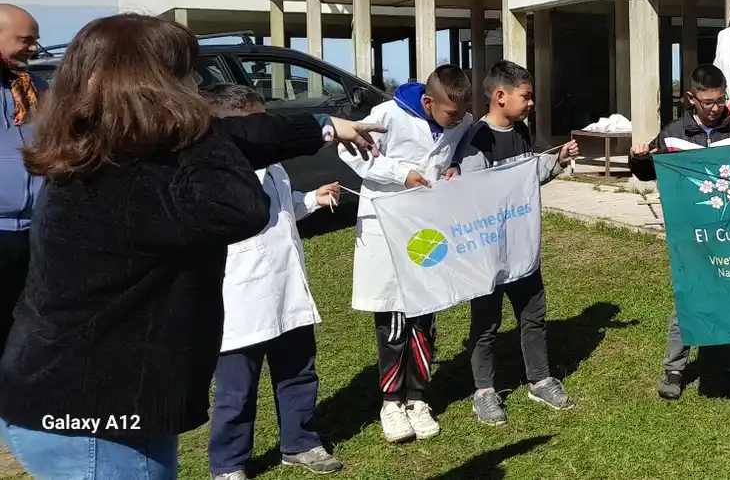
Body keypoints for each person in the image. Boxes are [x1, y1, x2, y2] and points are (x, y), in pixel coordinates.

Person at [0, 14, 378, 480]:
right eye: (186, 75)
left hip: (86, 402)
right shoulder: (126, 177)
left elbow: (242, 135)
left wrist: (323, 125)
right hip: (98, 418)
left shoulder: (111, 147)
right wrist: (198, 121)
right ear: (156, 86)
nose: (198, 84)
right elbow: (240, 207)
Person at [203, 85, 344, 479]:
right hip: (239, 298)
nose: (271, 131)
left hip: (287, 289)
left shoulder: (275, 166)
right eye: (261, 122)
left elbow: (283, 209)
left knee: (299, 372)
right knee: (236, 389)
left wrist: (312, 198)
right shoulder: (217, 174)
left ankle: (300, 442)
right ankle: (229, 463)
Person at [341, 65, 474, 443]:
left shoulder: (460, 122)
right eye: (451, 113)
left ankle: (417, 397)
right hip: (387, 226)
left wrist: (455, 171)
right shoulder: (388, 115)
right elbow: (350, 151)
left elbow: (459, 156)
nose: (458, 120)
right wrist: (402, 174)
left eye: (462, 113)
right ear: (429, 101)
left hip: (427, 230)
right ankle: (391, 402)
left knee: (423, 314)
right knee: (393, 318)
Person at [452, 60, 582, 422]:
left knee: (533, 314)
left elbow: (529, 175)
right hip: (489, 252)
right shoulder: (476, 140)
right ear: (499, 96)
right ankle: (484, 391)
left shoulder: (522, 131)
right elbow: (472, 193)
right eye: (525, 96)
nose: (531, 104)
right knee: (486, 322)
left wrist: (555, 160)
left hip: (523, 249)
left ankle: (540, 380)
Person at [627, 65, 730, 399]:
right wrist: (637, 158)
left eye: (721, 100)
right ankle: (674, 368)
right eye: (708, 102)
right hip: (689, 233)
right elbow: (647, 172)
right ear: (690, 99)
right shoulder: (672, 135)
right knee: (690, 296)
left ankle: (728, 363)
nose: (715, 108)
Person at [0, 4, 40, 361]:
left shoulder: (38, 89)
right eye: (26, 40)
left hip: (37, 232)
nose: (35, 48)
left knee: (26, 337)